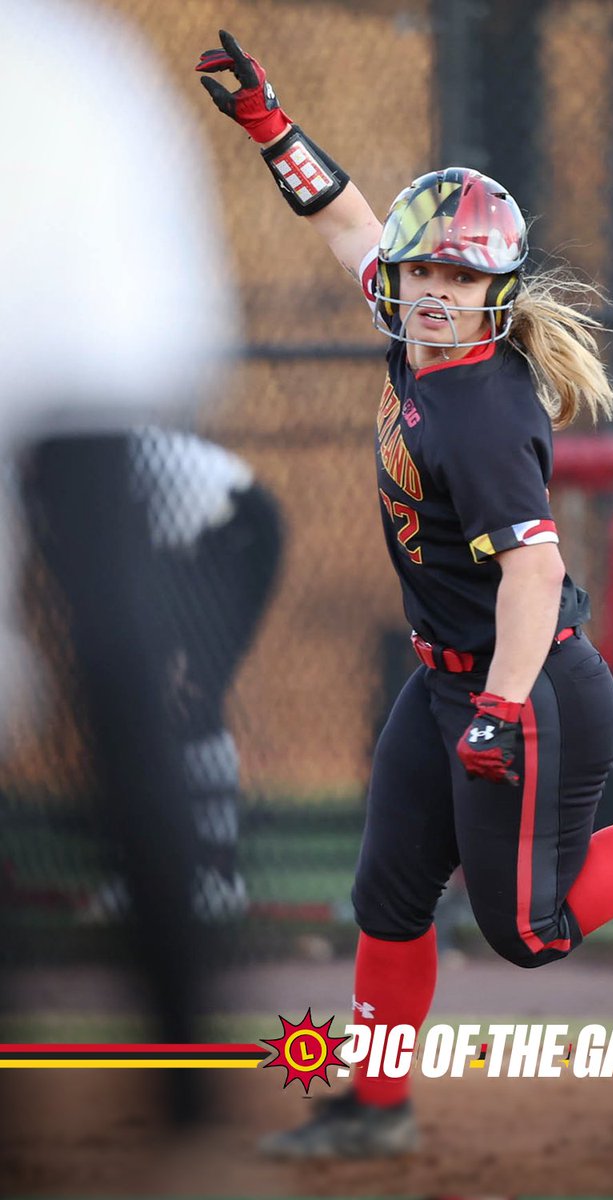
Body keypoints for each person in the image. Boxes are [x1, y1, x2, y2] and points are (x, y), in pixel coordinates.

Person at [196, 29, 613, 1158]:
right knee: (389, 897)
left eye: (460, 276)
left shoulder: (482, 412)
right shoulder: (412, 339)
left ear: (497, 292)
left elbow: (537, 575)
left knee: (531, 934)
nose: (435, 291)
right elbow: (351, 218)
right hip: (446, 682)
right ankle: (376, 1111)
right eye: (423, 271)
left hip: (529, 693)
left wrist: (495, 708)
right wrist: (266, 122)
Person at [0, 0, 236, 1128]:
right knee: (116, 658)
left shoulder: (74, 64)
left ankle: (183, 1064)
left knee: (113, 659)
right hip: (95, 330)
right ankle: (187, 1068)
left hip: (81, 325)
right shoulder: (83, 59)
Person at [80, 428, 285, 923]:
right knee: (142, 706)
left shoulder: (84, 445)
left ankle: (217, 877)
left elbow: (127, 552)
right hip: (185, 550)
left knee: (191, 698)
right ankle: (152, 878)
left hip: (232, 528)